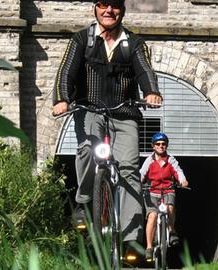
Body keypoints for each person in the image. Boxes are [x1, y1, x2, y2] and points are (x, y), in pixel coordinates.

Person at [52, 0, 162, 258]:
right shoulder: (82, 40)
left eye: (114, 6)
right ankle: (83, 201)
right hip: (90, 108)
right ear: (95, 8)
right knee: (88, 149)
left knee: (129, 168)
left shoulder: (134, 43)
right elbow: (66, 72)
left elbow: (145, 70)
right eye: (103, 5)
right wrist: (61, 98)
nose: (108, 11)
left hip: (124, 113)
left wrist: (151, 92)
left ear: (121, 11)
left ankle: (131, 238)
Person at [140, 132, 189, 261]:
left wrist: (183, 181)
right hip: (151, 192)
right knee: (152, 216)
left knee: (170, 208)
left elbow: (178, 171)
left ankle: (172, 231)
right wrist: (138, 184)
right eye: (158, 144)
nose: (161, 146)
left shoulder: (171, 159)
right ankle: (149, 247)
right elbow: (141, 174)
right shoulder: (149, 160)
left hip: (168, 190)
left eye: (163, 144)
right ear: (153, 146)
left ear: (166, 146)